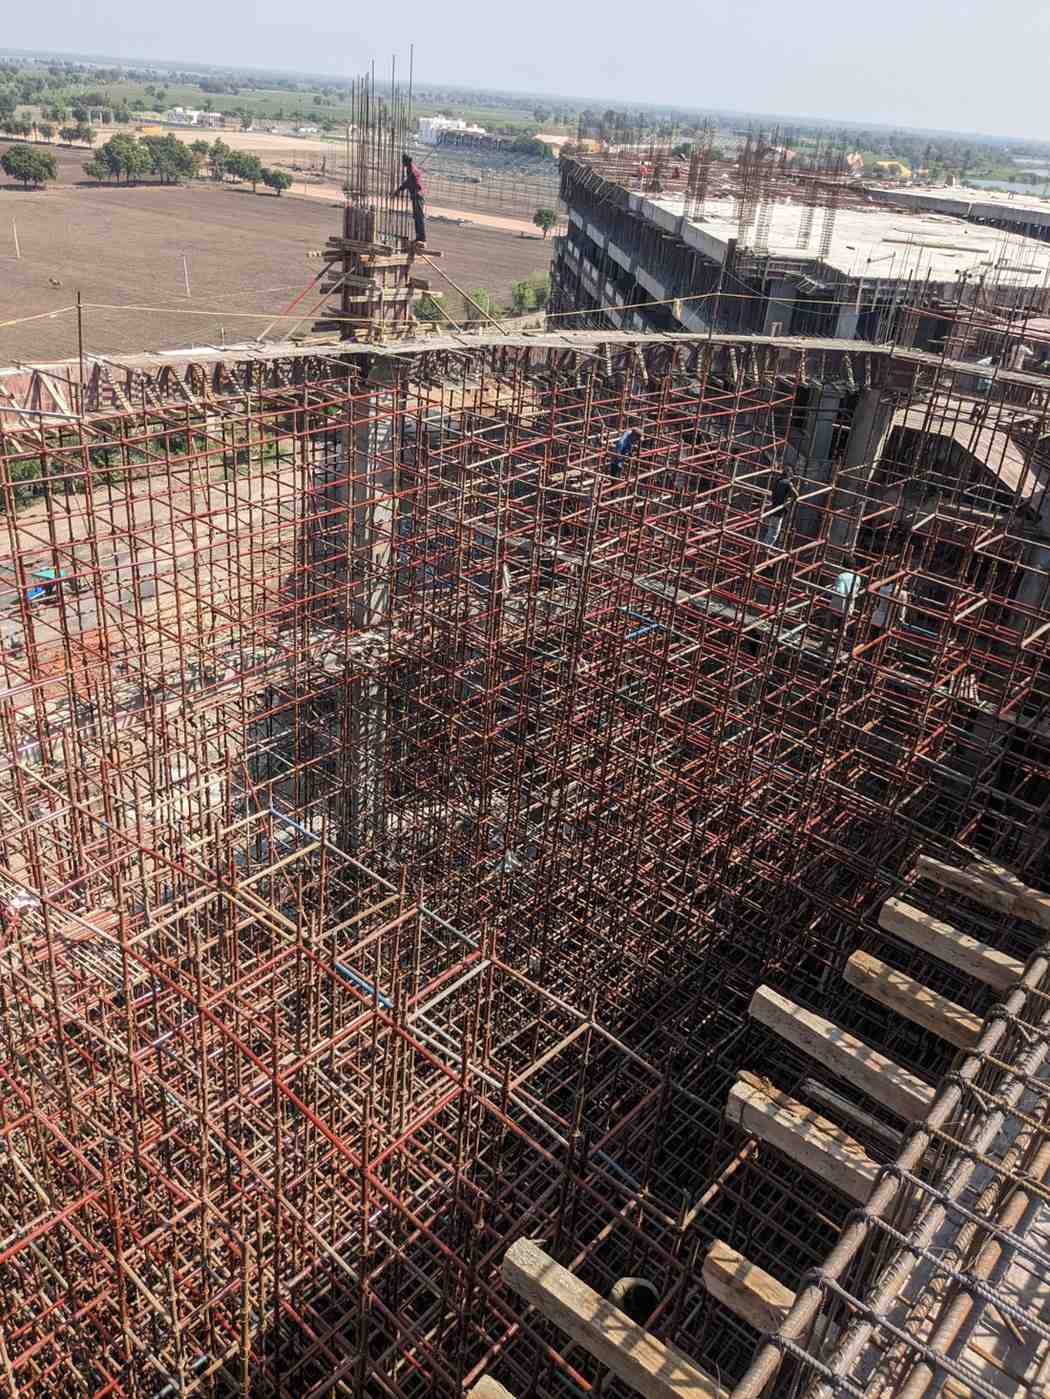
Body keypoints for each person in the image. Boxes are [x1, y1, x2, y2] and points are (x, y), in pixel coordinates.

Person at [819, 558, 863, 657]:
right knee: (842, 630)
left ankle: (824, 647)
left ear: (843, 565)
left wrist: (829, 589)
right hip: (848, 607)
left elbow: (840, 591)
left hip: (836, 606)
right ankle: (837, 651)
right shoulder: (858, 577)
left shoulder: (841, 577)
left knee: (829, 628)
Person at [760, 466, 799, 548]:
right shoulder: (788, 483)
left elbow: (774, 494)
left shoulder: (777, 481)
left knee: (771, 530)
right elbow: (796, 495)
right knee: (774, 532)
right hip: (779, 511)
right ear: (788, 473)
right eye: (791, 472)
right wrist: (789, 499)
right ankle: (765, 548)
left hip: (774, 507)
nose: (792, 474)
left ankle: (764, 546)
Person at [394, 153, 427, 245]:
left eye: (403, 162)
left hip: (417, 195)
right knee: (417, 216)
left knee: (418, 216)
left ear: (406, 162)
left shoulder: (410, 169)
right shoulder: (412, 167)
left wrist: (398, 190)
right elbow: (410, 181)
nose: (402, 164)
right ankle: (419, 236)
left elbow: (407, 182)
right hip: (417, 194)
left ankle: (421, 237)